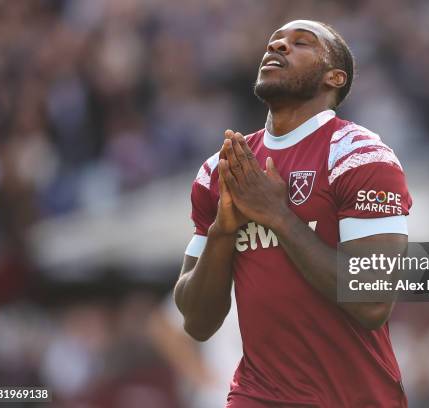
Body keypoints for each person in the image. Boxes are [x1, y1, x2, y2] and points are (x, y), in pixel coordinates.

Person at [174, 20, 411, 407]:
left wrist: (278, 216)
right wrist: (222, 231)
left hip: (354, 396)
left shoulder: (360, 155)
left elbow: (372, 301)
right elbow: (197, 323)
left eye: (301, 43)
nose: (279, 46)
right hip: (257, 394)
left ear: (334, 77)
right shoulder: (222, 170)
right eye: (274, 42)